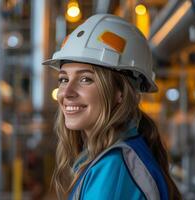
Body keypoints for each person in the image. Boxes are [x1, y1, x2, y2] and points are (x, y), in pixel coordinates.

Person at [43, 14, 181, 200]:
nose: (66, 93)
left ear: (120, 93)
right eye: (64, 79)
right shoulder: (112, 157)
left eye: (85, 79)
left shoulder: (113, 169)